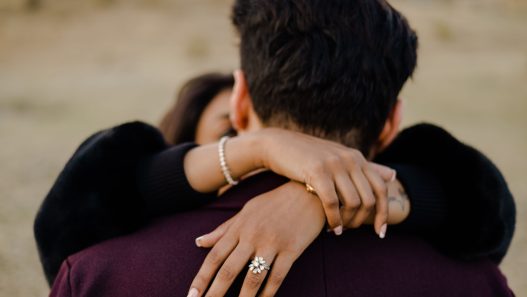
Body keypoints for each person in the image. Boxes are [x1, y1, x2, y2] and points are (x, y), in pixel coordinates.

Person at [44, 0, 516, 296]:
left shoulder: (98, 273)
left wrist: (297, 183)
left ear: (241, 99)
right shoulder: (475, 282)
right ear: (392, 120)